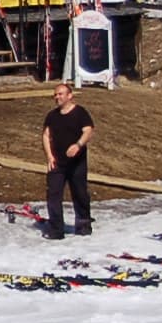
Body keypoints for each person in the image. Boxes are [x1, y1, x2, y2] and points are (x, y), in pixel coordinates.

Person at [41, 81, 95, 238]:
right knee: (53, 194)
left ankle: (83, 224)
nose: (57, 97)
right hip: (57, 163)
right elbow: (46, 135)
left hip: (76, 162)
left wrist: (78, 145)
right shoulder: (52, 116)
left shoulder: (80, 113)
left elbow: (88, 131)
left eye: (60, 94)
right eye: (55, 94)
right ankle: (56, 230)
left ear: (69, 96)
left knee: (79, 193)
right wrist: (49, 156)